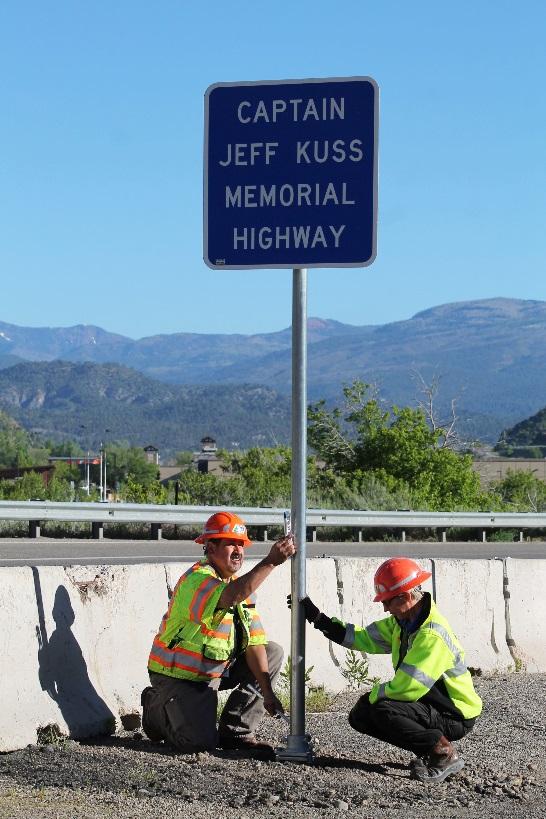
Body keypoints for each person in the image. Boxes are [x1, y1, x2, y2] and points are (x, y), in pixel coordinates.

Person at [294, 556, 482, 782]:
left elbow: (408, 689)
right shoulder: (403, 623)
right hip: (432, 703)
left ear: (405, 596)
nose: (384, 608)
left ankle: (442, 753)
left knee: (382, 710)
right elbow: (363, 638)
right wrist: (319, 619)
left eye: (388, 601)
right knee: (361, 716)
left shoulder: (431, 634)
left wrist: (372, 696)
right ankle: (429, 749)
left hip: (454, 714)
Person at [141, 510, 295, 757]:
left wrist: (267, 693)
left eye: (241, 545)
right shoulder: (197, 580)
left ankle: (237, 732)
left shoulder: (240, 587)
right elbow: (229, 596)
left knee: (271, 652)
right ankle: (155, 709)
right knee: (197, 743)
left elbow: (254, 643)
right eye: (230, 544)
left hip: (213, 671)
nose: (238, 551)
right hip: (180, 676)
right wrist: (270, 562)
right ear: (210, 548)